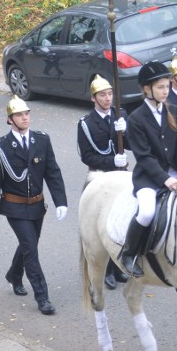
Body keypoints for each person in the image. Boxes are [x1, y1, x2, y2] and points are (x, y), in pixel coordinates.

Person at [0, 96, 67, 315]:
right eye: (20, 115)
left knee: (28, 245)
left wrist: (61, 201)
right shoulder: (1, 147)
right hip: (15, 207)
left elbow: (52, 172)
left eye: (27, 114)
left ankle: (14, 274)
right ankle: (43, 297)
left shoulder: (41, 140)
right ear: (10, 120)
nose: (25, 118)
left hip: (37, 206)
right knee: (31, 248)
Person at [120, 62, 177, 277]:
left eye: (167, 86)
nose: (165, 91)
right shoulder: (136, 119)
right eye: (161, 87)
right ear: (147, 89)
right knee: (146, 212)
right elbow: (144, 157)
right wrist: (164, 179)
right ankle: (129, 252)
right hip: (148, 177)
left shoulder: (173, 110)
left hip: (175, 172)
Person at [76, 75, 129, 289]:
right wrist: (110, 160)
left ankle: (118, 266)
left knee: (121, 222)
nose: (107, 99)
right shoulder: (86, 124)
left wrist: (126, 131)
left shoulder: (121, 115)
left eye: (109, 94)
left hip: (121, 177)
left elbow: (133, 144)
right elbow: (86, 156)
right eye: (102, 95)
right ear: (93, 99)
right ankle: (104, 269)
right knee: (102, 228)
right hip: (99, 179)